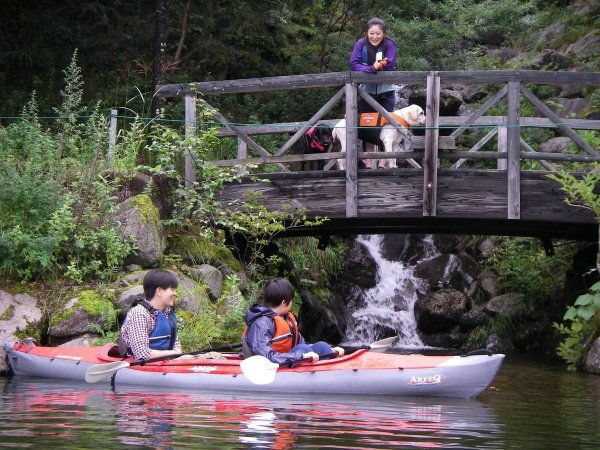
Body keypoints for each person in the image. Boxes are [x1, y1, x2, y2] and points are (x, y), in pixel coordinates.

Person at [118, 269, 223, 360]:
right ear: (159, 291)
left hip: (165, 362)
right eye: (172, 289)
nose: (175, 293)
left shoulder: (167, 312)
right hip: (139, 367)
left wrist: (178, 356)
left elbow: (176, 345)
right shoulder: (139, 313)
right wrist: (173, 354)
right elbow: (141, 354)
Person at [242, 277, 344, 364]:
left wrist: (331, 351)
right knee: (303, 350)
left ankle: (332, 366)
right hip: (271, 365)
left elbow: (301, 343)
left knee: (321, 346)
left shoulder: (285, 318)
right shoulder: (262, 323)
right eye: (291, 300)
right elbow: (265, 355)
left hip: (287, 359)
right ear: (283, 302)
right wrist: (298, 356)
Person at [349, 18, 398, 168]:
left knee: (387, 127)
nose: (374, 37)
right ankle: (369, 163)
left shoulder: (389, 44)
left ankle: (383, 163)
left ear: (383, 34)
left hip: (386, 92)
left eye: (378, 33)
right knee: (367, 126)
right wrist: (371, 68)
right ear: (367, 33)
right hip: (366, 92)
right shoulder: (360, 44)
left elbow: (390, 63)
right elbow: (353, 64)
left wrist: (379, 65)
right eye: (372, 33)